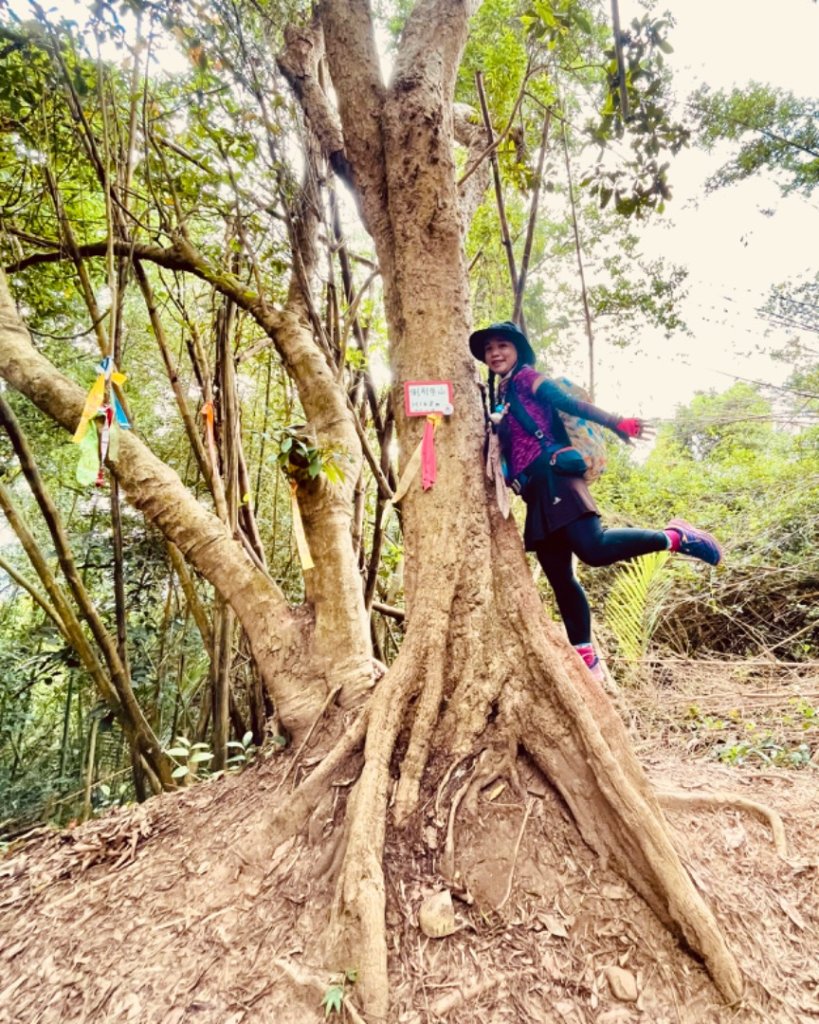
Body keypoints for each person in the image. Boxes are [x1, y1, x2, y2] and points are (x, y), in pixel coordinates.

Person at [469, 320, 722, 681]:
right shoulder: (501, 395)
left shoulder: (526, 378)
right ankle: (587, 659)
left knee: (594, 548)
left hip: (557, 477)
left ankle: (677, 537)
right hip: (536, 491)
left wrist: (618, 422)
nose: (495, 353)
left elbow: (567, 402)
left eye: (502, 346)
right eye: (489, 348)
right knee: (559, 576)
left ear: (517, 351)